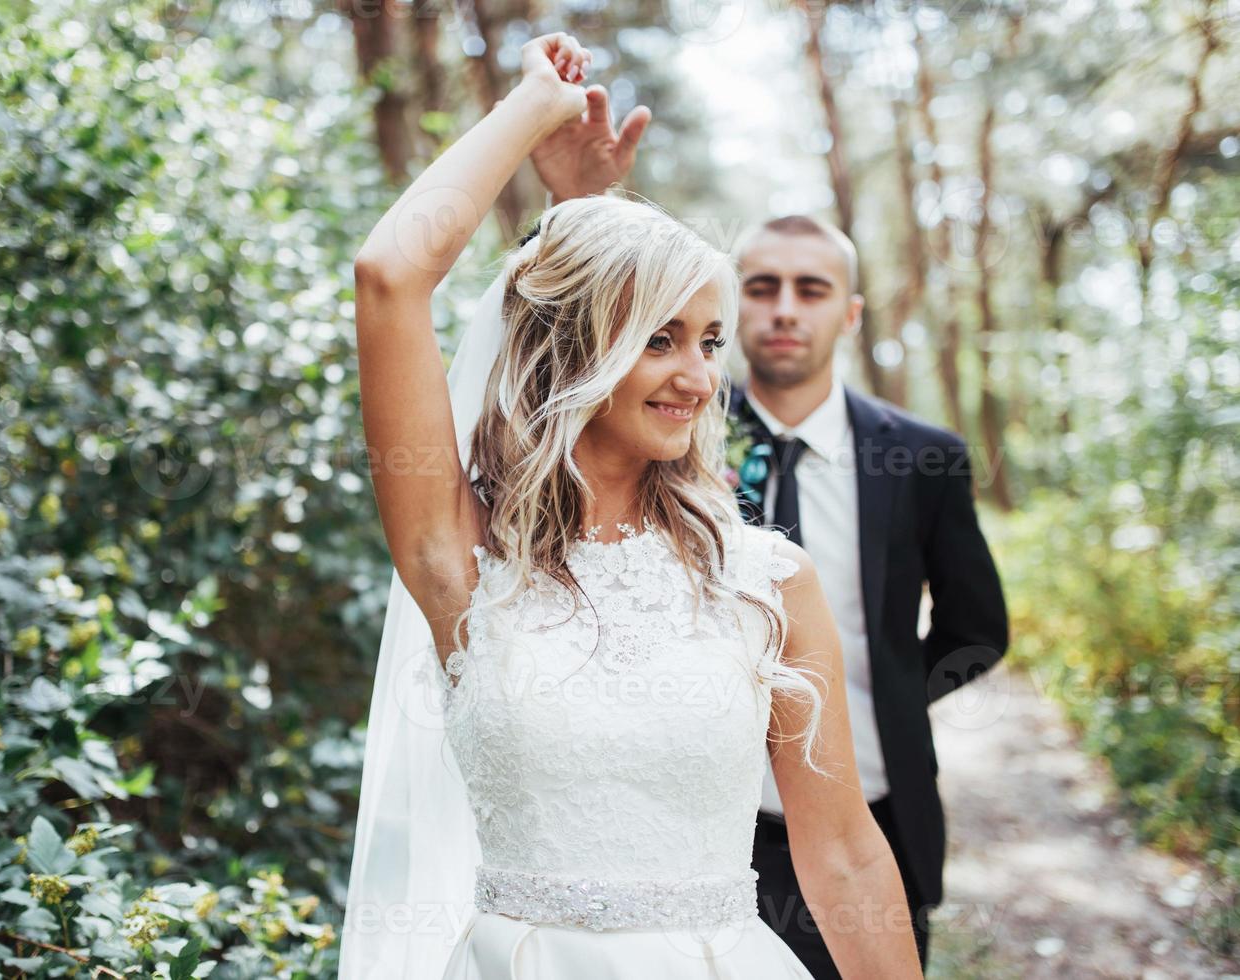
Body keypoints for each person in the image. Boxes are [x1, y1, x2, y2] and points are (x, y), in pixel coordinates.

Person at [340, 32, 922, 980]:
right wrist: (531, 106)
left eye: (708, 340)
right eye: (661, 339)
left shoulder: (766, 582)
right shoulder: (459, 558)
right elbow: (389, 276)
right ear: (575, 353)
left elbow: (844, 851)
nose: (698, 376)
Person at [529, 120, 1011, 971]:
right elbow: (578, 344)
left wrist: (885, 701)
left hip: (871, 805)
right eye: (761, 286)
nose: (784, 307)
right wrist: (577, 202)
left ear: (849, 312)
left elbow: (978, 628)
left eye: (811, 289)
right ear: (731, 301)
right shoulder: (669, 433)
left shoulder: (921, 454)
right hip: (700, 828)